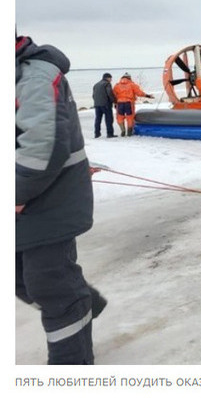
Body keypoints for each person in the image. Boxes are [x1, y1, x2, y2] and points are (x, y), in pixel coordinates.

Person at [16, 33, 106, 364]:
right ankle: (83, 304)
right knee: (19, 277)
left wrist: (16, 194)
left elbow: (43, 148)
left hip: (50, 201)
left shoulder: (35, 76)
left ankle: (71, 367)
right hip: (26, 197)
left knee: (49, 285)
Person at [92, 72, 117, 138]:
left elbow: (93, 95)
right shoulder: (107, 84)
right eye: (111, 78)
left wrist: (96, 102)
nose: (111, 80)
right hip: (106, 104)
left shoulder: (96, 84)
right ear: (108, 78)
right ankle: (110, 133)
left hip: (97, 104)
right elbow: (110, 94)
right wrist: (114, 101)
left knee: (98, 119)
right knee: (109, 119)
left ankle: (97, 133)